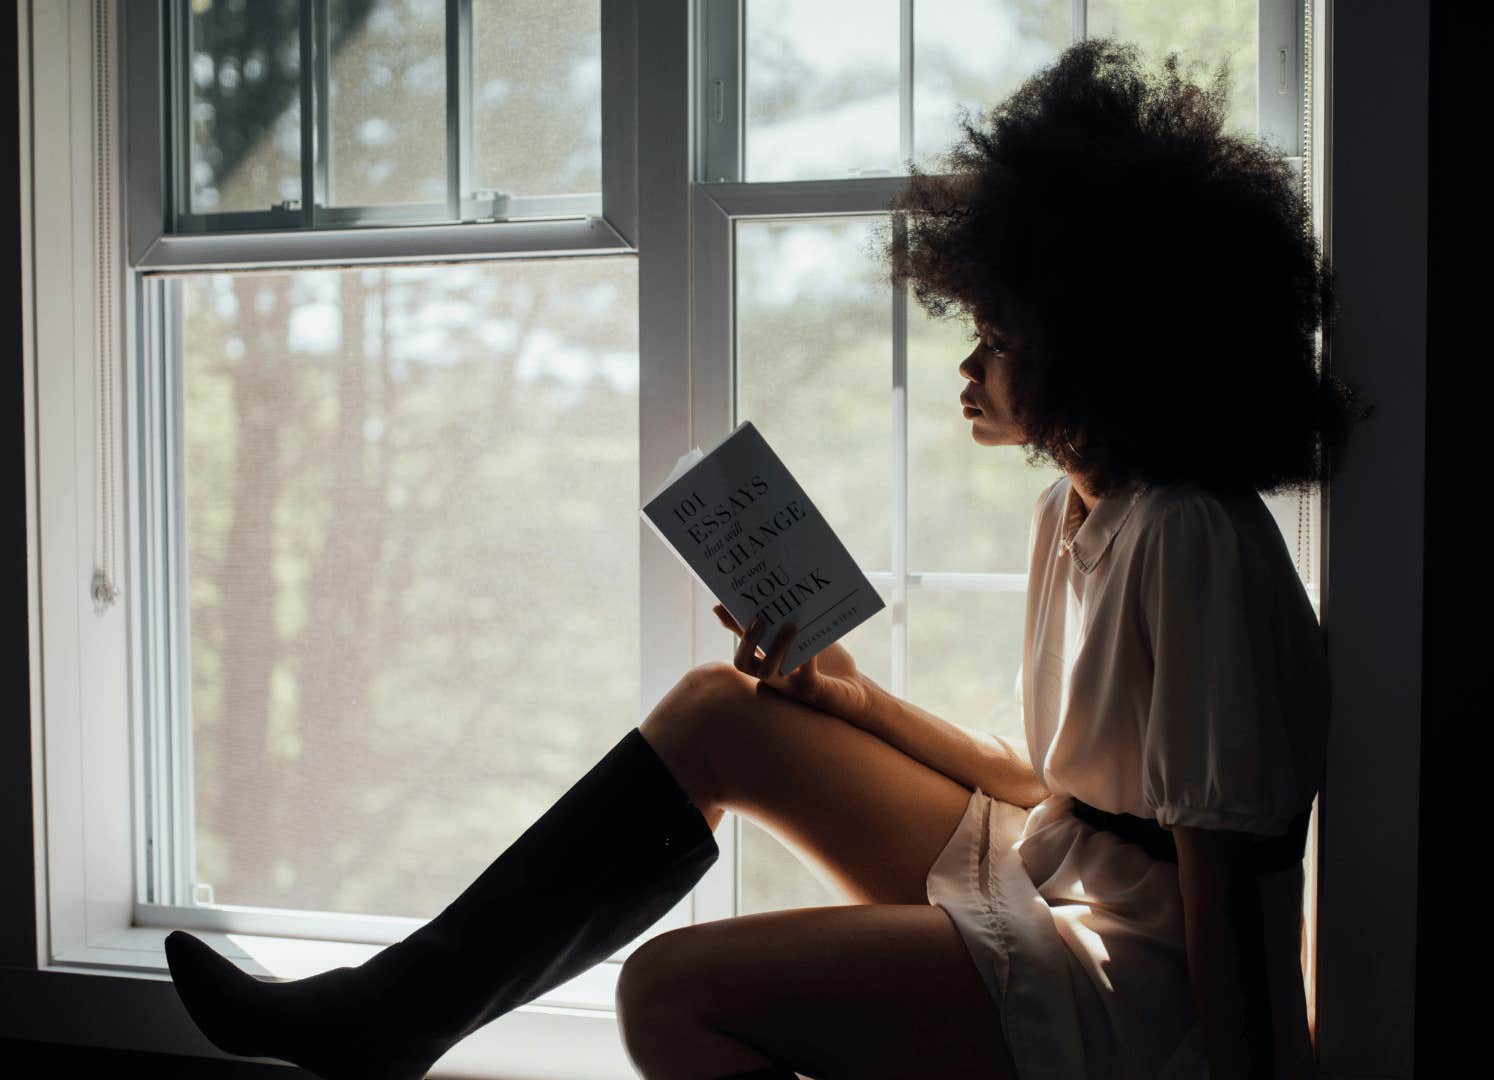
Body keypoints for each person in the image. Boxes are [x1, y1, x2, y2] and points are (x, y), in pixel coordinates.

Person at [164, 36, 1369, 1080]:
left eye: (997, 339)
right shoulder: (1076, 514)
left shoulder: (1192, 537)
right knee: (719, 712)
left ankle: (387, 1021)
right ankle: (392, 1015)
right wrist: (845, 698)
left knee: (665, 995)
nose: (968, 369)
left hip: (1141, 987)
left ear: (1092, 348)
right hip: (1060, 870)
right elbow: (1036, 779)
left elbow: (1222, 870)